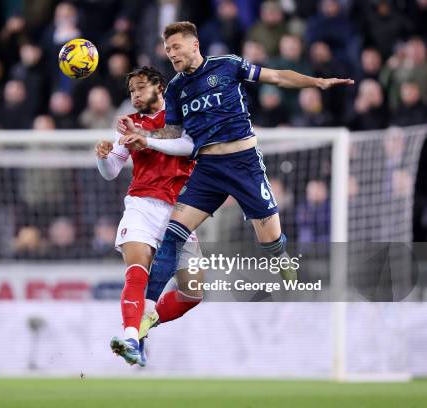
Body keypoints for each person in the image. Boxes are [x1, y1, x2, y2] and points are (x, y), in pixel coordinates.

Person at [118, 21, 353, 337]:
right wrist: (143, 133)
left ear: (194, 45)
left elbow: (277, 76)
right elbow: (173, 132)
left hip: (244, 164)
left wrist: (316, 82)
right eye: (167, 48)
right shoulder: (175, 89)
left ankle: (280, 256)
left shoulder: (227, 66)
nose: (170, 53)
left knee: (269, 239)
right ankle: (147, 308)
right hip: (207, 169)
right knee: (173, 233)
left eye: (175, 46)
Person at [96, 66, 204, 367]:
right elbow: (111, 172)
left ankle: (143, 325)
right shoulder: (131, 126)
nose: (135, 95)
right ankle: (130, 338)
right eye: (131, 91)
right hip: (142, 205)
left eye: (140, 88)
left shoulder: (182, 113)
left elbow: (190, 146)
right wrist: (103, 157)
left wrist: (147, 140)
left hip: (181, 212)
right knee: (137, 270)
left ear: (159, 86)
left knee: (192, 293)